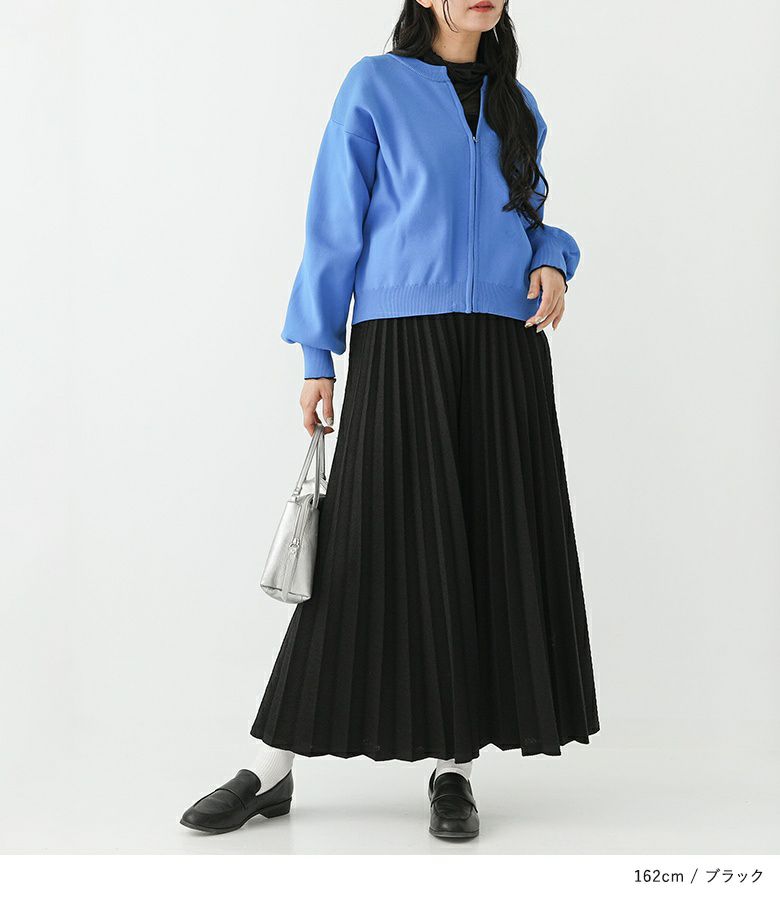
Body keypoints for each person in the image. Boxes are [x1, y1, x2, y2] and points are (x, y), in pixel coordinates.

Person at [180, 0, 599, 841]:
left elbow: (530, 217)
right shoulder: (374, 85)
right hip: (402, 340)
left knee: (483, 545)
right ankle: (273, 762)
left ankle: (455, 767)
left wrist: (556, 259)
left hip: (506, 346)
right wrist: (316, 353)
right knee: (362, 546)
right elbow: (333, 220)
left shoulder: (518, 103)